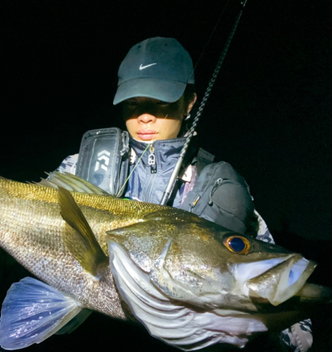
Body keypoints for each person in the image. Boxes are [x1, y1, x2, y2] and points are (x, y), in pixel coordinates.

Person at [56, 37, 312, 352]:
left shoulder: (217, 183)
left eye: (160, 102)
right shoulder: (82, 166)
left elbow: (263, 261)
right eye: (133, 103)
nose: (145, 116)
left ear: (189, 102)